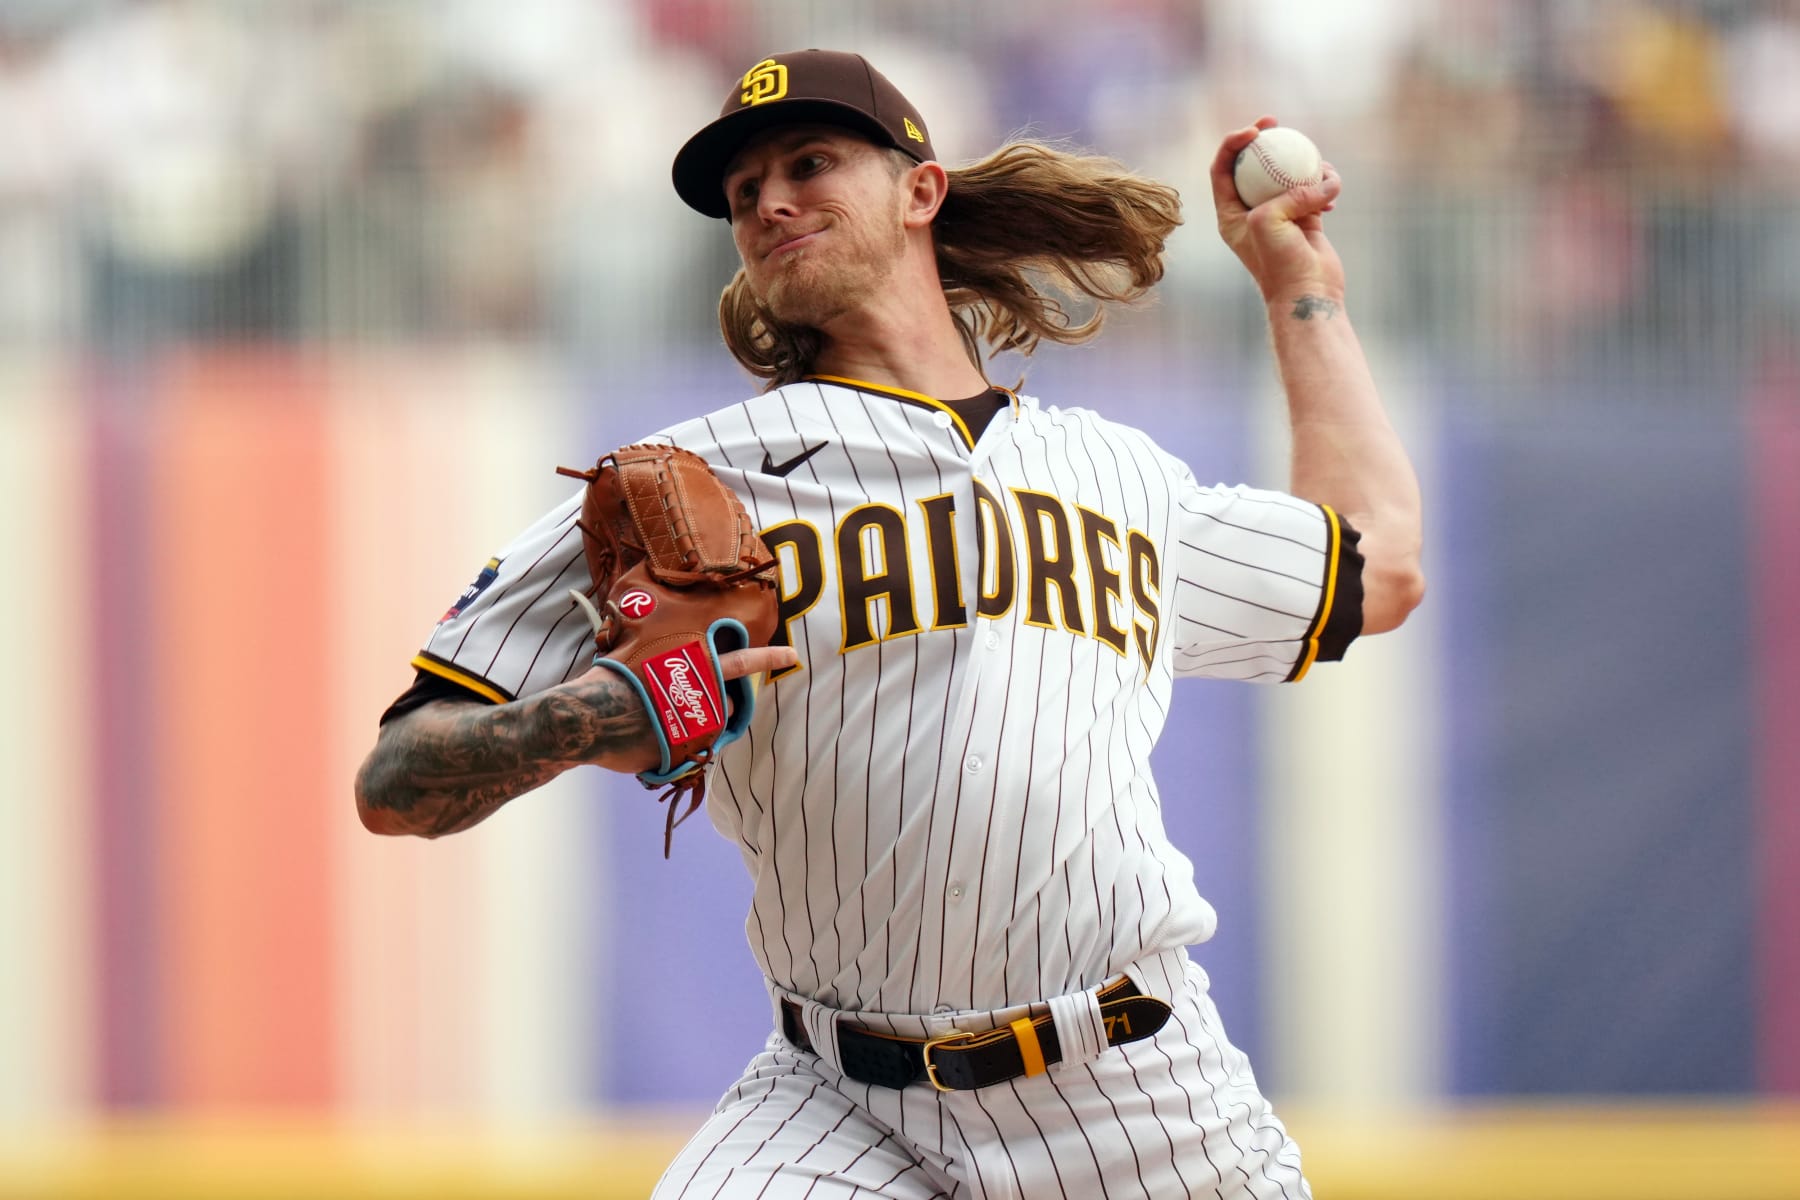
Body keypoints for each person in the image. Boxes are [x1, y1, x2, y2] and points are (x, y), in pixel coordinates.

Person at [355, 48, 1424, 1199]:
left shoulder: (1118, 473)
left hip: (1142, 1094)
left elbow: (1377, 567)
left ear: (921, 191)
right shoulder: (690, 486)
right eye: (742, 191)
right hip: (838, 1105)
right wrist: (576, 719)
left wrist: (1299, 291)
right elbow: (395, 781)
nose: (768, 200)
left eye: (809, 163)